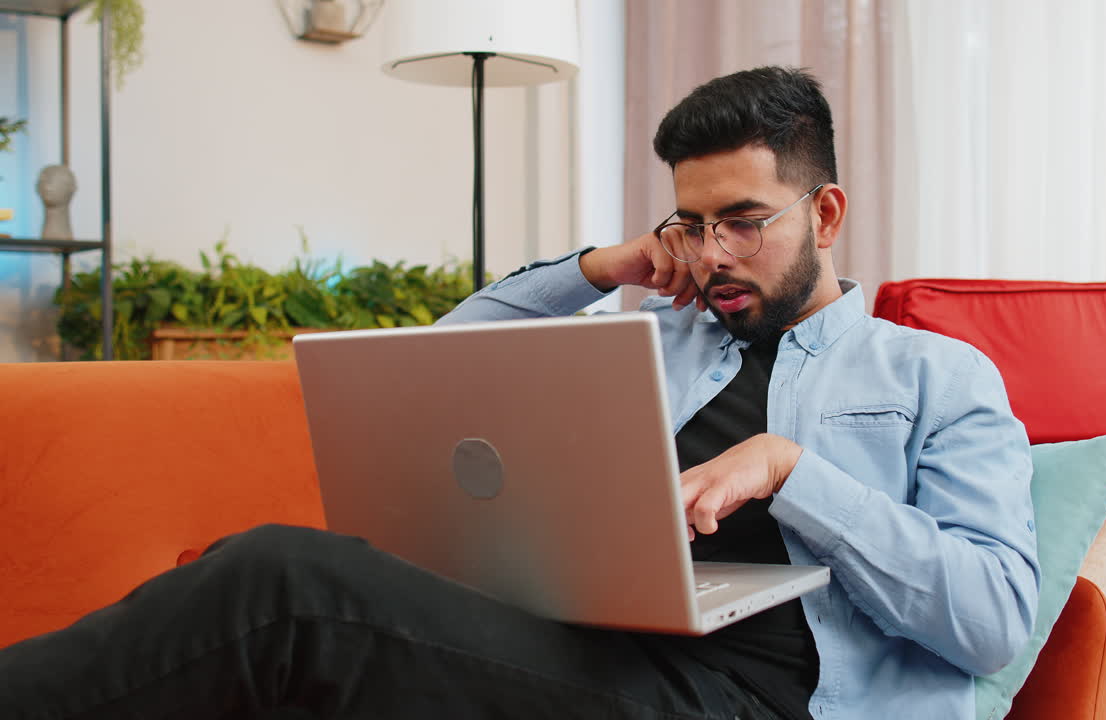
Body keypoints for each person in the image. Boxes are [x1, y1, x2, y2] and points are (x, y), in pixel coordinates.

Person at [0, 66, 1038, 719]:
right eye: (688, 222)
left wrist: (790, 471)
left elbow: (992, 619)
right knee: (257, 584)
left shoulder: (932, 375)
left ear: (825, 213)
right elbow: (448, 357)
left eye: (743, 219)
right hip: (593, 657)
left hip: (767, 697)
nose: (712, 252)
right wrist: (608, 264)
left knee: (280, 585)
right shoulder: (652, 336)